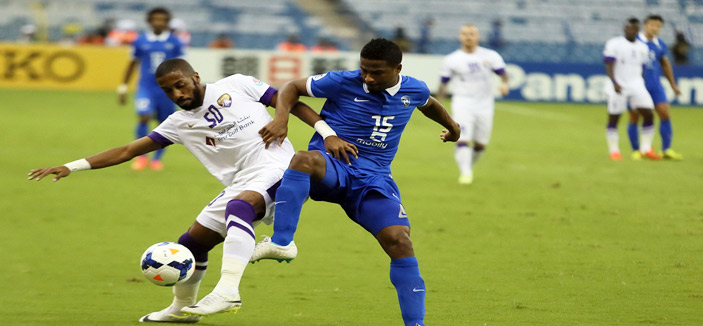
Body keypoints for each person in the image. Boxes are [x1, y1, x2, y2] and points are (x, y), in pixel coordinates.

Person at [28, 58, 358, 323]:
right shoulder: (177, 123)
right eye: (168, 90)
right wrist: (72, 166)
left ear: (195, 77)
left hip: (276, 168)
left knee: (239, 210)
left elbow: (289, 100)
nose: (177, 94)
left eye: (180, 85)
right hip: (242, 180)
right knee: (191, 244)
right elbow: (128, 150)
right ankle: (179, 310)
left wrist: (323, 131)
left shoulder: (237, 84)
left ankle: (228, 290)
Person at [250, 38, 461, 326]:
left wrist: (453, 127)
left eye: (376, 72)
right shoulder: (341, 81)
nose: (368, 77)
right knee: (302, 159)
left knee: (399, 241)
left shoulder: (414, 88)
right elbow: (291, 88)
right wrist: (285, 120)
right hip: (334, 166)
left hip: (374, 179)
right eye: (364, 70)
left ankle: (416, 324)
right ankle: (282, 241)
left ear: (397, 68)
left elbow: (428, 104)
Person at [436, 24, 509, 185]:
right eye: (465, 34)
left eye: (472, 34)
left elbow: (503, 74)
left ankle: (467, 166)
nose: (468, 37)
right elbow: (443, 83)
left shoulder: (490, 56)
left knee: (480, 144)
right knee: (463, 138)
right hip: (463, 103)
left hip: (485, 104)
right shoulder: (452, 59)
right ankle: (466, 173)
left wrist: (504, 84)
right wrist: (439, 103)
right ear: (460, 37)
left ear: (478, 37)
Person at [118, 7, 185, 171]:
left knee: (165, 124)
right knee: (144, 116)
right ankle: (141, 156)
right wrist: (123, 86)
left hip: (167, 90)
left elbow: (181, 66)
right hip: (146, 87)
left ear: (167, 22)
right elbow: (132, 63)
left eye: (163, 20)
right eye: (156, 19)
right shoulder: (140, 41)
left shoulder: (175, 42)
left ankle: (157, 159)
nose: (159, 23)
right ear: (149, 21)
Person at [602, 18, 658, 161]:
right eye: (629, 28)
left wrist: (643, 83)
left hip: (636, 85)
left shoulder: (643, 47)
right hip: (618, 85)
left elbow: (643, 68)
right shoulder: (615, 43)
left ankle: (645, 149)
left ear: (637, 30)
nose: (632, 30)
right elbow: (608, 64)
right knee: (615, 117)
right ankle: (614, 150)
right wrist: (614, 82)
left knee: (648, 113)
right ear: (624, 29)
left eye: (634, 28)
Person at [628, 15, 683, 160]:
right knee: (635, 117)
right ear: (645, 25)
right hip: (637, 86)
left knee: (664, 113)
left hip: (655, 85)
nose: (655, 28)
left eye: (658, 26)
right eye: (652, 25)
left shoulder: (660, 45)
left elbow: (665, 64)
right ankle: (637, 150)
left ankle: (666, 149)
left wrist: (673, 85)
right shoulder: (635, 41)